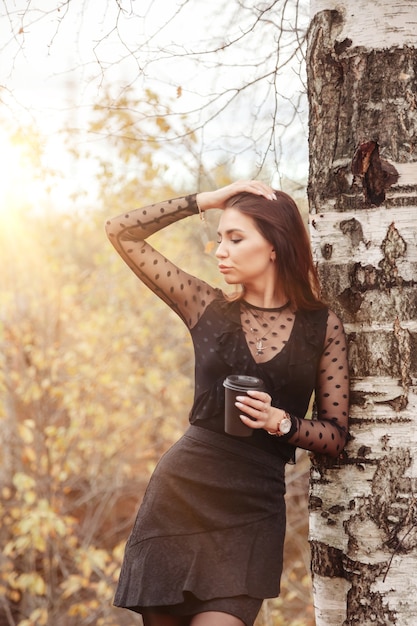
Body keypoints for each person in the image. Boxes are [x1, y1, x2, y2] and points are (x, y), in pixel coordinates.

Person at [105, 180, 349, 626]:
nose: (221, 250)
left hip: (252, 509)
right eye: (219, 238)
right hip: (180, 495)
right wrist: (211, 199)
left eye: (236, 239)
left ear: (275, 245)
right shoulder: (206, 307)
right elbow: (121, 231)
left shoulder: (321, 326)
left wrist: (282, 423)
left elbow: (336, 436)